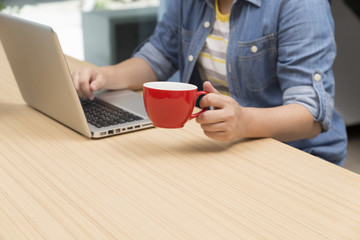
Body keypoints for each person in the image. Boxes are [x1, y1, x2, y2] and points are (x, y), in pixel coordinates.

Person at [73, 0, 347, 166]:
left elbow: (309, 116)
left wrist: (244, 122)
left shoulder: (300, 5)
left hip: (295, 153)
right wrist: (105, 76)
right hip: (222, 145)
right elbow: (158, 56)